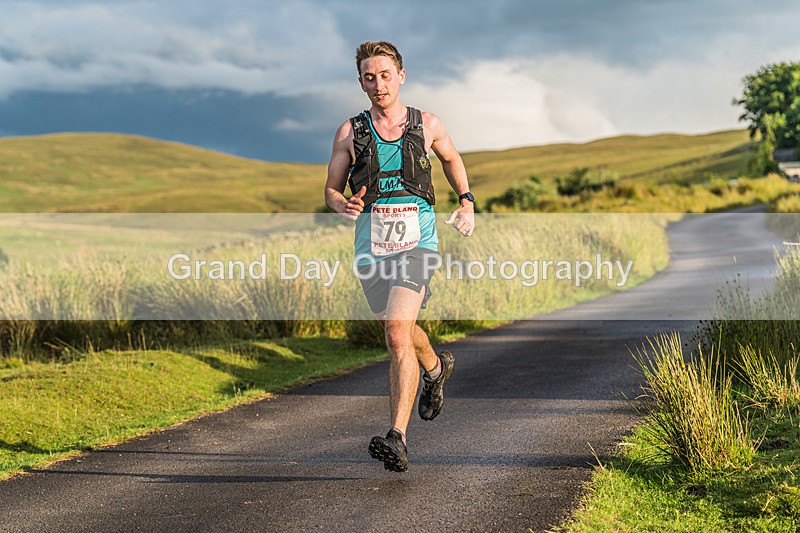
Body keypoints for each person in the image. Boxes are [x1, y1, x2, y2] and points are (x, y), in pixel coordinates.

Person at [325, 41, 475, 472]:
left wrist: (466, 200)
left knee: (395, 332)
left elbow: (451, 158)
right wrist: (343, 204)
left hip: (418, 241)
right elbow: (331, 190)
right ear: (360, 82)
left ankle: (397, 437)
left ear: (401, 75)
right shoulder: (348, 132)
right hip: (371, 245)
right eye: (369, 77)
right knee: (403, 332)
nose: (378, 84)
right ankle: (434, 368)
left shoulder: (427, 123)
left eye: (385, 75)